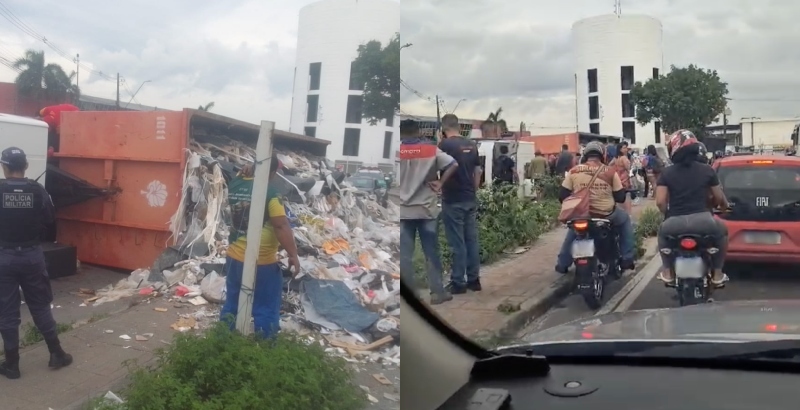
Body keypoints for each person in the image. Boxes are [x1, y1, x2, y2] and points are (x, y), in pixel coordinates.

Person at [0, 147, 72, 379]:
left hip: (4, 257)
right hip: (32, 255)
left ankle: (12, 365)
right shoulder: (38, 191)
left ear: (4, 166)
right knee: (40, 305)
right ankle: (56, 352)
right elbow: (50, 219)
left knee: (7, 312)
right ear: (26, 166)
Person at [220, 157, 300, 339]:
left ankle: (223, 342)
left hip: (234, 258)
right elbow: (280, 226)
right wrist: (293, 254)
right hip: (261, 262)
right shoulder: (270, 193)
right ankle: (264, 349)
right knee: (265, 307)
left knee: (232, 304)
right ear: (272, 173)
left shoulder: (236, 183)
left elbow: (243, 173)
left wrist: (248, 169)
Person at [655, 130, 729, 286]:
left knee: (662, 235)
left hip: (674, 222)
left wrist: (668, 215)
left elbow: (660, 201)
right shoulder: (707, 170)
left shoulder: (666, 173)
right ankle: (717, 273)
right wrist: (723, 207)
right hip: (704, 221)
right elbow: (719, 197)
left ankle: (668, 271)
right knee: (722, 232)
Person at [399, 119, 458, 304]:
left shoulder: (397, 152)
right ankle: (437, 293)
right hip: (426, 210)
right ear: (417, 132)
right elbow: (453, 164)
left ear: (401, 133)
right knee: (431, 252)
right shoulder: (430, 150)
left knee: (405, 255)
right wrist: (440, 183)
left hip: (403, 212)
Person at [555, 141, 636, 274]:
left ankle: (562, 263)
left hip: (581, 213)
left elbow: (562, 195)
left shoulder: (574, 171)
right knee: (625, 219)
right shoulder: (610, 172)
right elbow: (621, 197)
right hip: (605, 214)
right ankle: (627, 258)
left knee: (573, 231)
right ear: (602, 155)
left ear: (585, 155)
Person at [439, 114, 482, 293]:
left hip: (452, 199)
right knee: (471, 240)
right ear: (458, 127)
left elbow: (437, 166)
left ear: (443, 128)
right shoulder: (471, 145)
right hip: (469, 198)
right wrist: (474, 189)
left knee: (457, 242)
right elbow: (478, 170)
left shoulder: (444, 145)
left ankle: (458, 282)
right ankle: (474, 280)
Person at [609, 143, 633, 213]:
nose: (626, 149)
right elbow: (629, 169)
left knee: (619, 197)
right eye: (624, 148)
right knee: (627, 197)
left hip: (618, 179)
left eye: (626, 148)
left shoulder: (616, 158)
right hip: (625, 179)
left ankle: (620, 212)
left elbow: (609, 165)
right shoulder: (624, 158)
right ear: (620, 149)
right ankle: (628, 213)